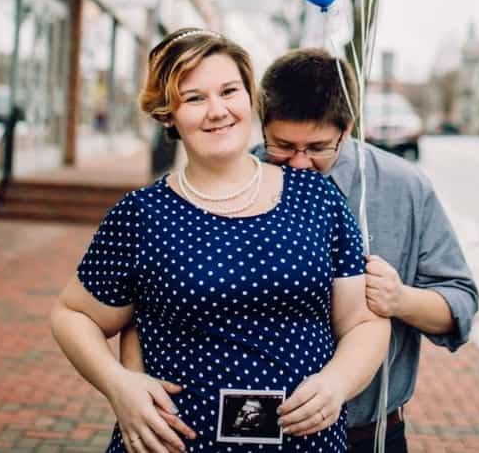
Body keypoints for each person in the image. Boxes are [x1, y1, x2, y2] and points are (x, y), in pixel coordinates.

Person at [50, 29, 389, 453]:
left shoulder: (316, 198)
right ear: (167, 113)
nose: (217, 111)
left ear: (250, 98)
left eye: (229, 91)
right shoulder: (141, 215)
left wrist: (337, 382)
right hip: (176, 444)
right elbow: (72, 315)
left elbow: (363, 321)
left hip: (306, 443)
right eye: (194, 98)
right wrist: (119, 385)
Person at [255, 49, 479, 453]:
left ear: (349, 127)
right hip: (250, 433)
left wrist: (400, 299)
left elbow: (460, 303)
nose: (300, 163)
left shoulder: (404, 188)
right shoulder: (235, 180)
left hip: (367, 434)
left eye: (319, 147)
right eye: (283, 146)